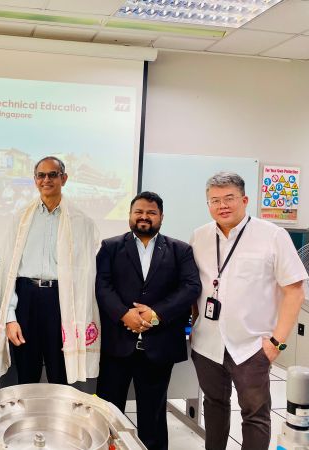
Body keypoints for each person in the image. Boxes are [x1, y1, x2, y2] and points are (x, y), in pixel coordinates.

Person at [190, 172, 308, 450]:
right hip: (207, 343)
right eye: (214, 200)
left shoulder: (272, 236)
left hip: (252, 345)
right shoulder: (199, 236)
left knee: (255, 414)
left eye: (229, 198)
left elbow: (294, 291)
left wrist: (276, 343)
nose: (222, 205)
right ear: (208, 204)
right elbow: (195, 287)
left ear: (244, 200)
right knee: (214, 405)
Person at [95, 191, 201, 450]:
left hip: (159, 346)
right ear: (130, 215)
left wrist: (156, 314)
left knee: (153, 415)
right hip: (117, 345)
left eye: (151, 212)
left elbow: (191, 287)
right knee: (109, 412)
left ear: (161, 217)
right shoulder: (110, 247)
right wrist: (125, 314)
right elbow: (102, 286)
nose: (144, 217)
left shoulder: (180, 250)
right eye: (139, 212)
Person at [0, 156, 100, 385]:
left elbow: (85, 276)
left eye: (53, 174)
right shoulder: (21, 218)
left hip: (61, 301)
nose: (46, 180)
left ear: (64, 178)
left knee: (60, 375)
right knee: (26, 374)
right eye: (41, 175)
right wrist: (10, 318)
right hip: (27, 299)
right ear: (35, 180)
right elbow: (8, 271)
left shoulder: (81, 221)